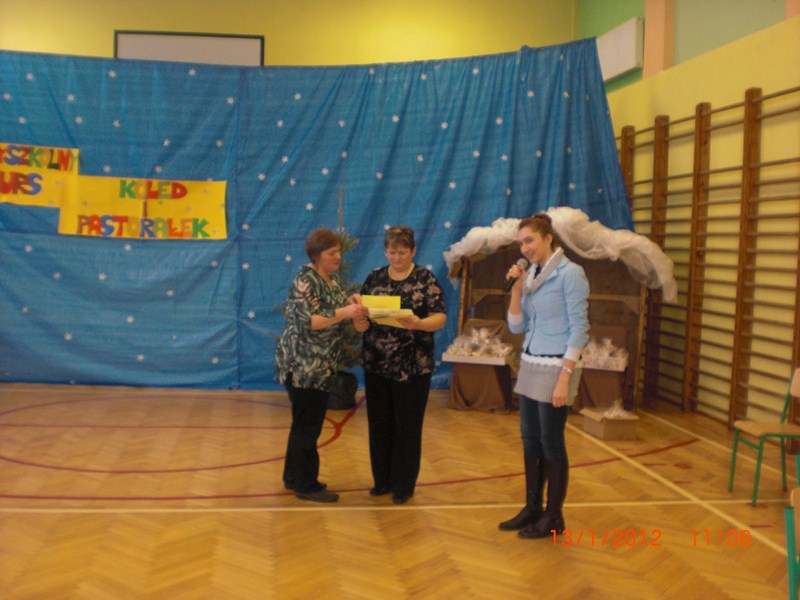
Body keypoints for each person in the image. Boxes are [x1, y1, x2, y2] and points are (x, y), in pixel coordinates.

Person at [499, 213, 589, 538]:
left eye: (530, 240)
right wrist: (516, 289)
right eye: (521, 243)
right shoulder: (532, 273)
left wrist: (565, 377)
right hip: (531, 362)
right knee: (530, 438)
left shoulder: (570, 273)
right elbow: (516, 326)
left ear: (548, 238)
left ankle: (554, 516)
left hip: (557, 366)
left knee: (551, 441)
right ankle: (532, 508)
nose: (525, 248)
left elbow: (580, 329)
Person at [275, 227, 369, 503]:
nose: (338, 256)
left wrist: (353, 305)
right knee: (308, 425)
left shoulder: (331, 279)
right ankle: (307, 485)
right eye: (332, 253)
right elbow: (310, 321)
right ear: (316, 255)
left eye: (338, 251)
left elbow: (338, 310)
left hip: (319, 365)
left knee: (303, 423)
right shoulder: (305, 280)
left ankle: (293, 476)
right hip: (303, 366)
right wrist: (345, 311)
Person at [360, 226, 446, 504]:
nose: (396, 257)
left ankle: (403, 485)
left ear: (413, 251)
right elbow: (362, 318)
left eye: (402, 252)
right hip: (377, 363)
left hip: (413, 365)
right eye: (391, 252)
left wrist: (419, 323)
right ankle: (381, 481)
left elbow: (440, 317)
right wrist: (358, 318)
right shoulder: (374, 278)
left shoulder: (425, 279)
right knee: (379, 424)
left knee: (407, 426)